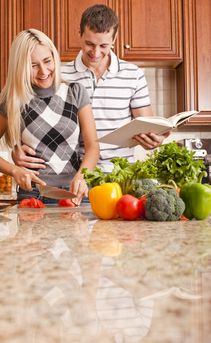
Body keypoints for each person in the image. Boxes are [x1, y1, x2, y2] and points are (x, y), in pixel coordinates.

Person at [12, 4, 169, 173]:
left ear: (114, 40)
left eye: (103, 46)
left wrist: (156, 138)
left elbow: (147, 127)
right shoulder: (60, 75)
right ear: (79, 35)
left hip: (121, 175)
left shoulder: (133, 75)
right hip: (77, 176)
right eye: (89, 44)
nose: (95, 52)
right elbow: (32, 119)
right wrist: (16, 150)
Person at [0, 29, 99, 204]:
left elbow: (93, 146)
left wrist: (81, 177)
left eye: (47, 61)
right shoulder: (13, 101)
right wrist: (14, 170)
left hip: (76, 195)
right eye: (33, 65)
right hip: (34, 196)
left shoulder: (75, 92)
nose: (43, 71)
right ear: (21, 67)